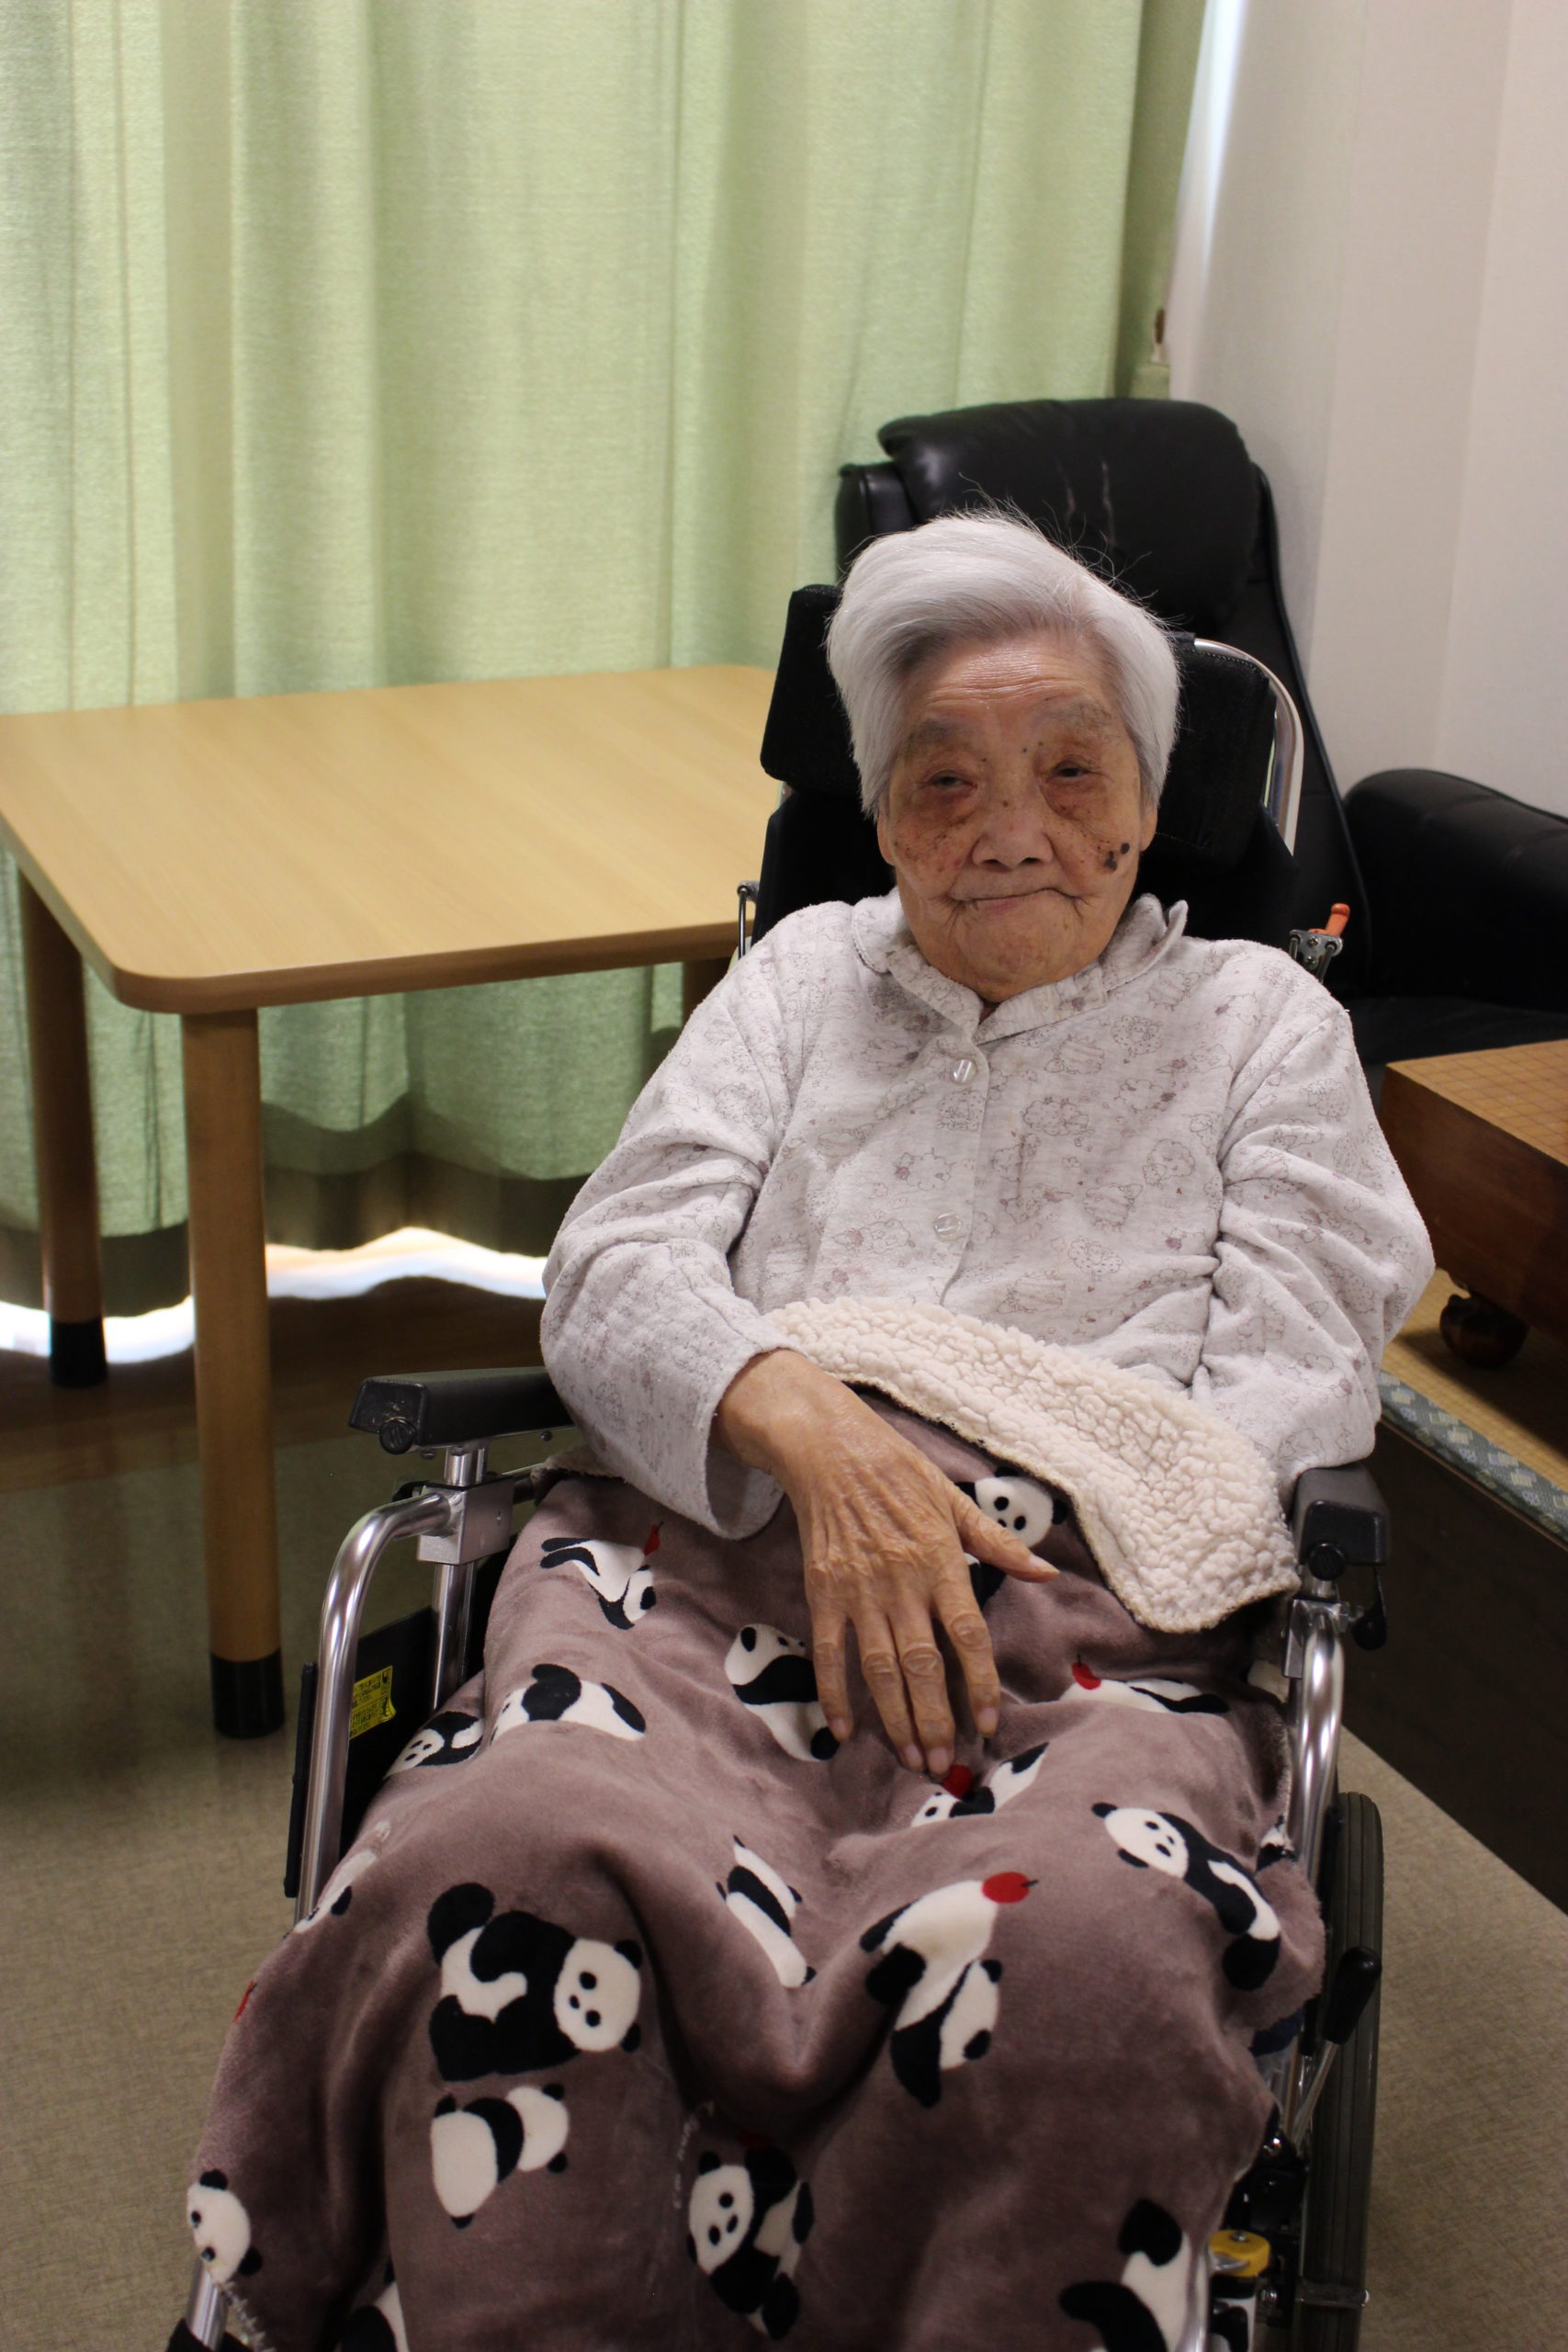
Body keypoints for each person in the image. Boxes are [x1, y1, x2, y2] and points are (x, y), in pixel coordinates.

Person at [187, 516, 1431, 2352]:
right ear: (883, 815)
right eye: (945, 778)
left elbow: (1299, 1359)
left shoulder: (1258, 1021)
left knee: (1079, 1952)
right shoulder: (798, 983)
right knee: (500, 1857)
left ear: (1145, 806)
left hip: (1078, 1616)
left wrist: (1026, 1510)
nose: (1008, 826)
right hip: (703, 1568)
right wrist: (811, 1427)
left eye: (1068, 769)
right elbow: (616, 1261)